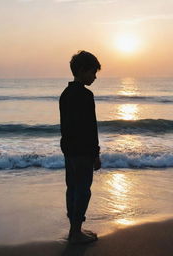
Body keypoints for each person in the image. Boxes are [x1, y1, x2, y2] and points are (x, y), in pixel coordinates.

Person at [59, 50, 101, 244]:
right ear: (83, 71)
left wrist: (66, 148)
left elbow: (65, 126)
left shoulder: (65, 94)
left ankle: (74, 229)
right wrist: (95, 154)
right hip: (83, 152)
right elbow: (90, 128)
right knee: (84, 190)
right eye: (93, 72)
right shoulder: (85, 95)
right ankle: (76, 232)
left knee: (73, 188)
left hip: (69, 151)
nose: (94, 77)